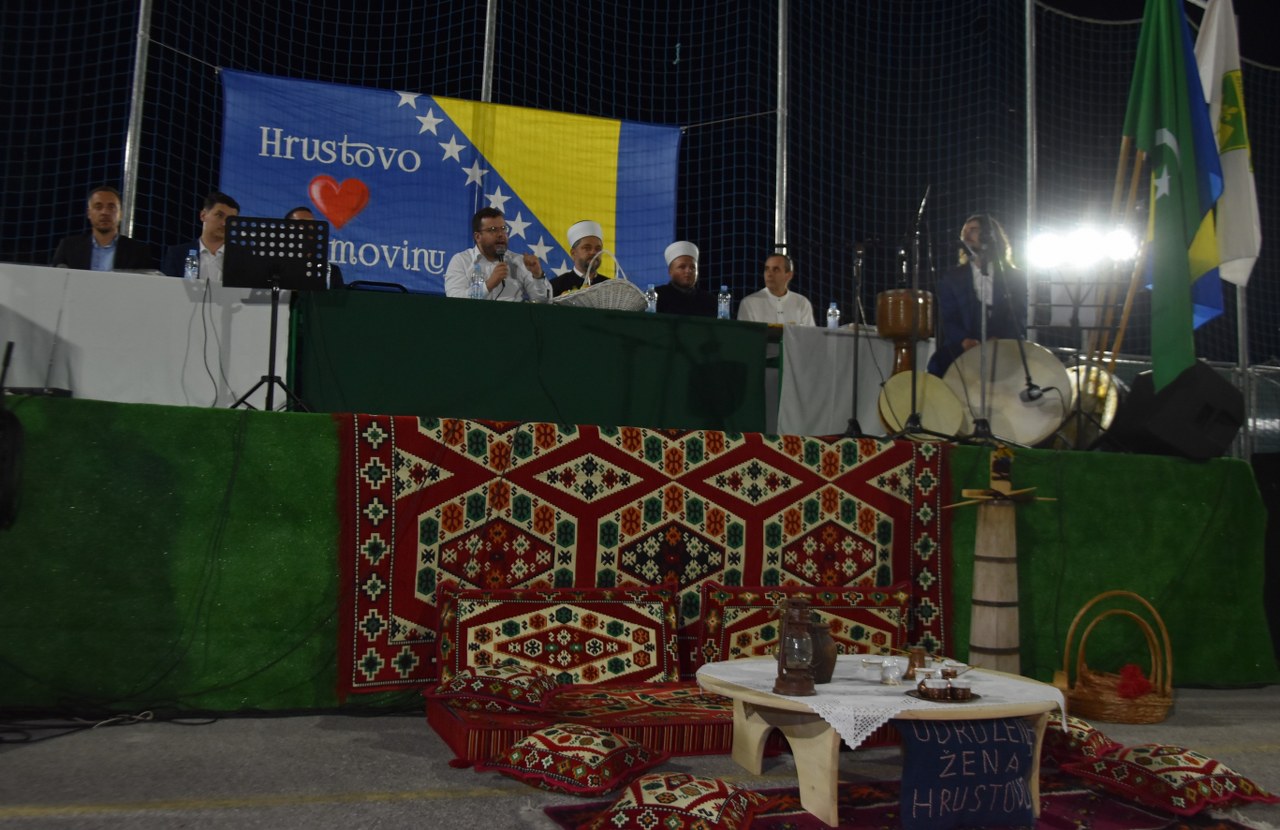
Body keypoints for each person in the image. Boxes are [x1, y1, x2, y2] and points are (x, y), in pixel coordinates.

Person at [926, 214, 1028, 377]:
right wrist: (965, 340)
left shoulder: (1014, 277)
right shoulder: (952, 278)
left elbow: (1018, 315)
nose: (967, 235)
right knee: (938, 365)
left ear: (991, 235)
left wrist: (1000, 340)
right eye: (964, 231)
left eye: (973, 230)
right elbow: (948, 317)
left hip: (1003, 345)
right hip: (964, 345)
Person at [443, 207, 551, 302]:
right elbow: (455, 300)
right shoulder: (461, 261)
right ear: (478, 237)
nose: (501, 235)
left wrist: (538, 276)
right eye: (493, 230)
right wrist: (489, 284)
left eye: (503, 229)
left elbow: (544, 302)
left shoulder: (519, 262)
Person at [50, 185, 155, 272]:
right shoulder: (68, 247)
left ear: (121, 214)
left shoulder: (138, 251)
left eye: (111, 207)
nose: (104, 212)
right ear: (89, 213)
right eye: (98, 207)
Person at [161, 191, 241, 282]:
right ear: (203, 215)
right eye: (219, 215)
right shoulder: (177, 254)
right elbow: (166, 288)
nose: (224, 223)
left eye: (230, 219)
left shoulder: (243, 257)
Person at [736, 253, 815, 326]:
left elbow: (809, 334)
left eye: (776, 269)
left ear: (789, 275)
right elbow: (745, 334)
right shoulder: (749, 303)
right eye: (767, 269)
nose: (769, 274)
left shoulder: (802, 303)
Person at [284, 206, 344, 288]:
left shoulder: (330, 271)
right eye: (302, 223)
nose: (310, 227)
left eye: (312, 224)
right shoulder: (275, 268)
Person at [654, 241, 716, 317]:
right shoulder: (657, 296)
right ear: (670, 271)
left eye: (692, 267)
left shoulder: (709, 301)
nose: (688, 271)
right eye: (682, 267)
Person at [550, 220, 608, 297]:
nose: (593, 252)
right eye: (587, 248)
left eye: (598, 249)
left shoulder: (610, 286)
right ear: (573, 253)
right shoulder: (555, 286)